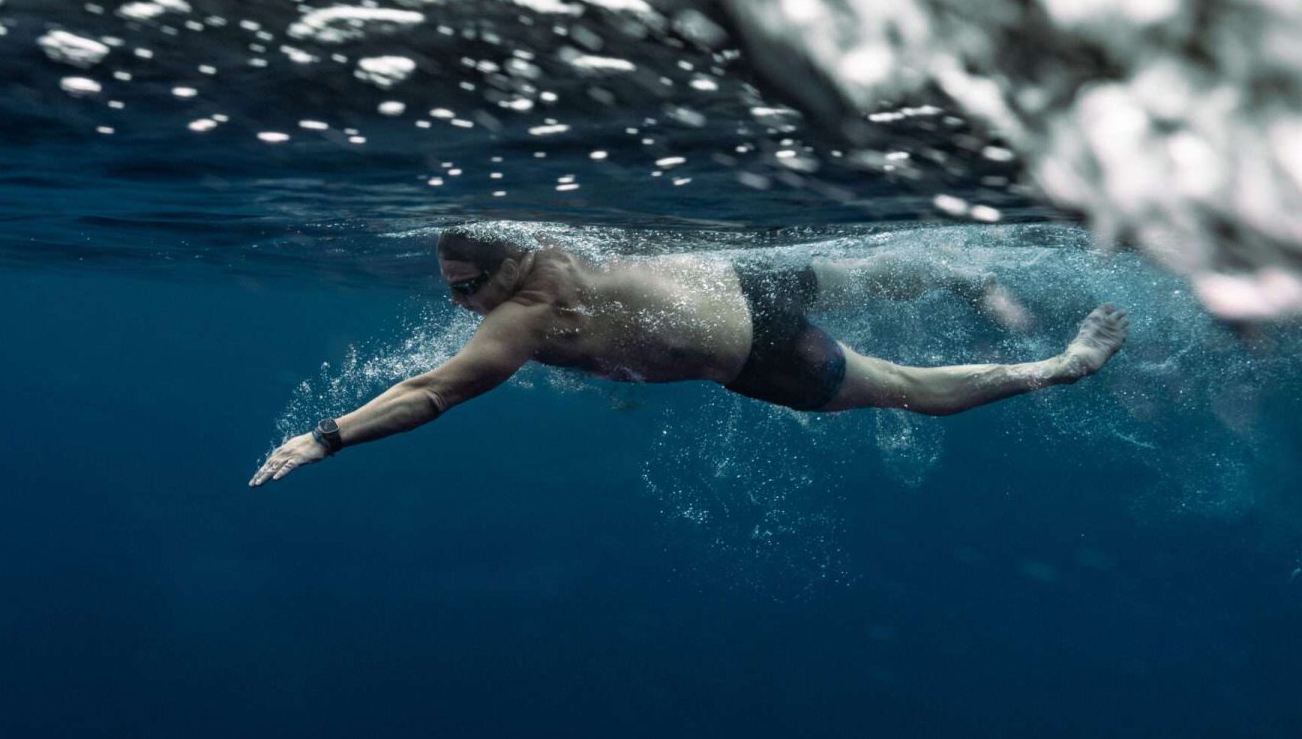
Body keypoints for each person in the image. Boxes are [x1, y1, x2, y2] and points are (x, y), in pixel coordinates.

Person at [249, 227, 1129, 486]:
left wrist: (327, 437)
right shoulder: (549, 246)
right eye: (450, 289)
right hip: (743, 288)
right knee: (868, 278)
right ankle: (983, 292)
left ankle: (1056, 359)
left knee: (903, 383)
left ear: (511, 264)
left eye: (465, 286)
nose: (458, 304)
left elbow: (431, 391)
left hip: (758, 336)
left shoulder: (521, 317)